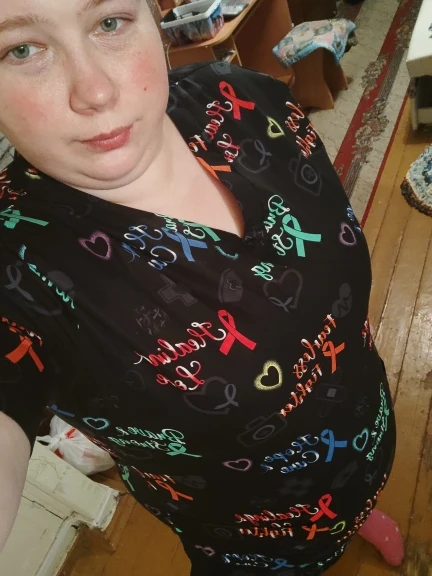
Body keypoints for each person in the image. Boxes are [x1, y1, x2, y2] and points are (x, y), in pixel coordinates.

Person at [0, 0, 404, 574]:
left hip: (366, 434)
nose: (95, 92)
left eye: (110, 22)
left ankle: (360, 514)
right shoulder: (18, 266)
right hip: (253, 536)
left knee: (358, 495)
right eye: (21, 50)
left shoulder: (239, 98)